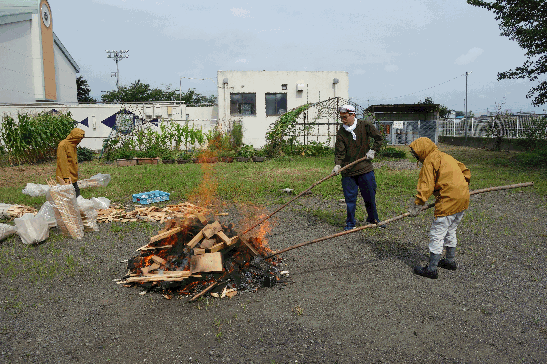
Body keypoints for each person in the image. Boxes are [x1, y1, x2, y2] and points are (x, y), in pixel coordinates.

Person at [408, 137, 471, 279]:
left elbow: (426, 186)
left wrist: (417, 204)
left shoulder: (430, 161)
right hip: (462, 197)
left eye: (415, 152)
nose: (415, 155)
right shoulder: (445, 156)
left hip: (448, 200)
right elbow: (465, 171)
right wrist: (461, 188)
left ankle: (431, 269)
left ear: (422, 150)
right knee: (451, 229)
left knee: (437, 233)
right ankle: (449, 261)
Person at [332, 104, 384, 231]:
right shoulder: (341, 132)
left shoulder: (365, 126)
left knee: (370, 196)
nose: (343, 120)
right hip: (348, 171)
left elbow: (379, 138)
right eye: (341, 117)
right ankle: (350, 223)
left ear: (352, 115)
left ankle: (373, 219)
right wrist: (337, 164)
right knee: (350, 200)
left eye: (345, 117)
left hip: (365, 168)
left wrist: (373, 151)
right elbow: (339, 152)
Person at [56, 128, 85, 197]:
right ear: (74, 137)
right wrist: (66, 177)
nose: (80, 141)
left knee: (76, 193)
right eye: (79, 139)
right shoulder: (63, 145)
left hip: (72, 175)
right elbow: (62, 162)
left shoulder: (73, 145)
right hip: (66, 176)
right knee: (69, 195)